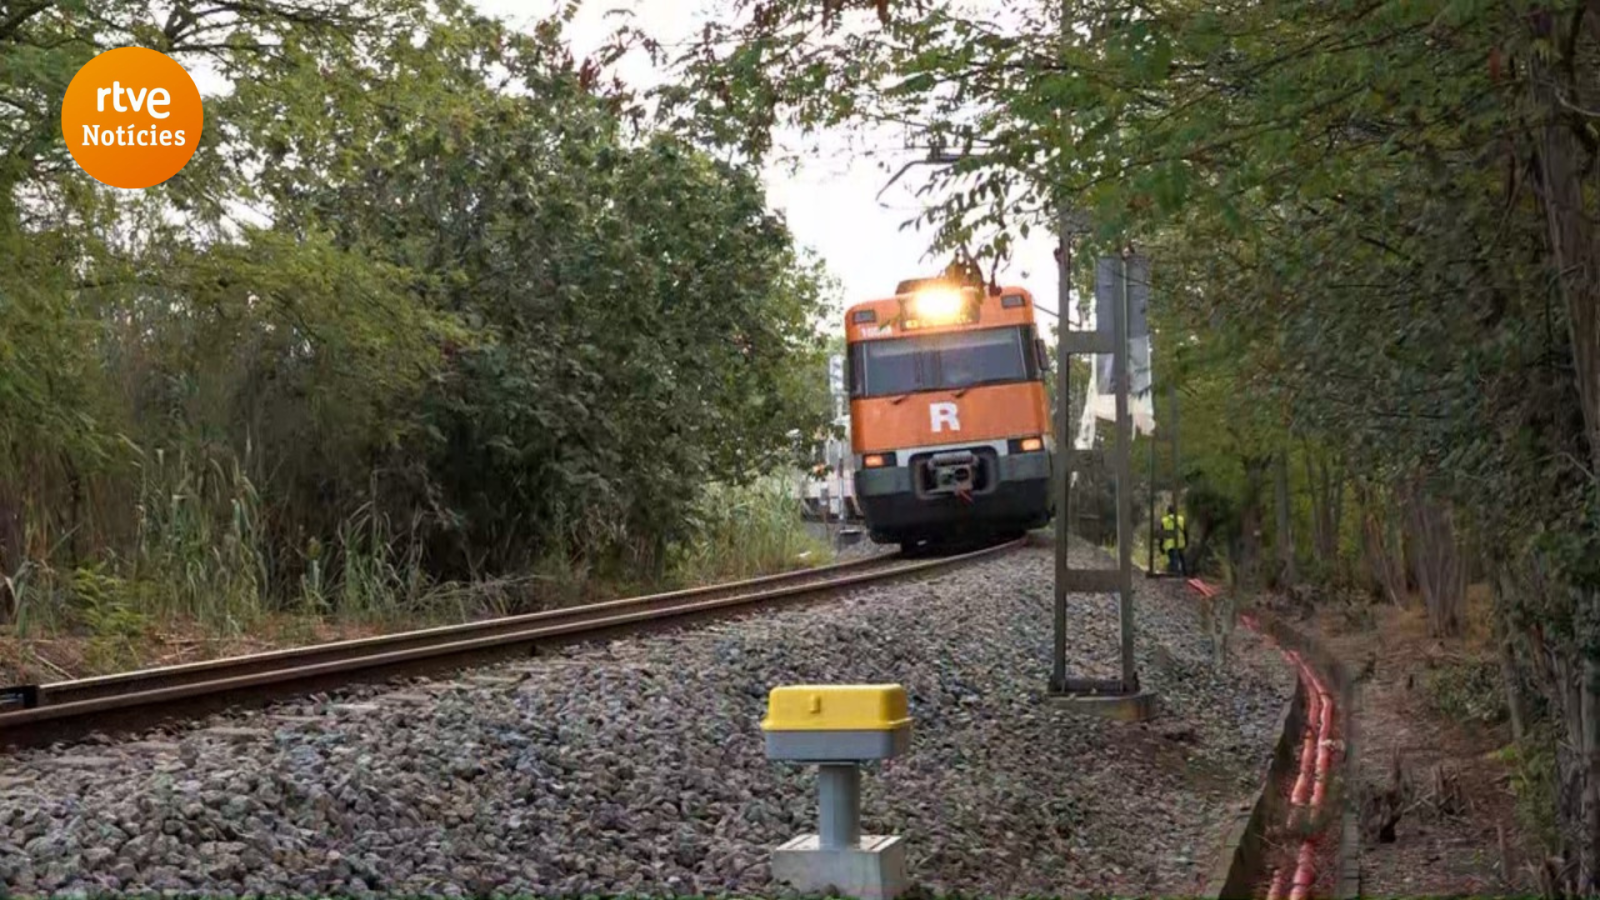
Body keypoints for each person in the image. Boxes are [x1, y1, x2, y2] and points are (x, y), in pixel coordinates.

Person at [1161, 504, 1188, 576]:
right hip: (1180, 543)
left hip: (1170, 544)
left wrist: (1161, 546)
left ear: (1168, 511)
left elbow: (1162, 535)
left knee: (1173, 560)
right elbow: (1185, 532)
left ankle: (1175, 575)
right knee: (1182, 559)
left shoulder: (1164, 520)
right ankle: (1185, 574)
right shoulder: (1181, 519)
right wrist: (1186, 542)